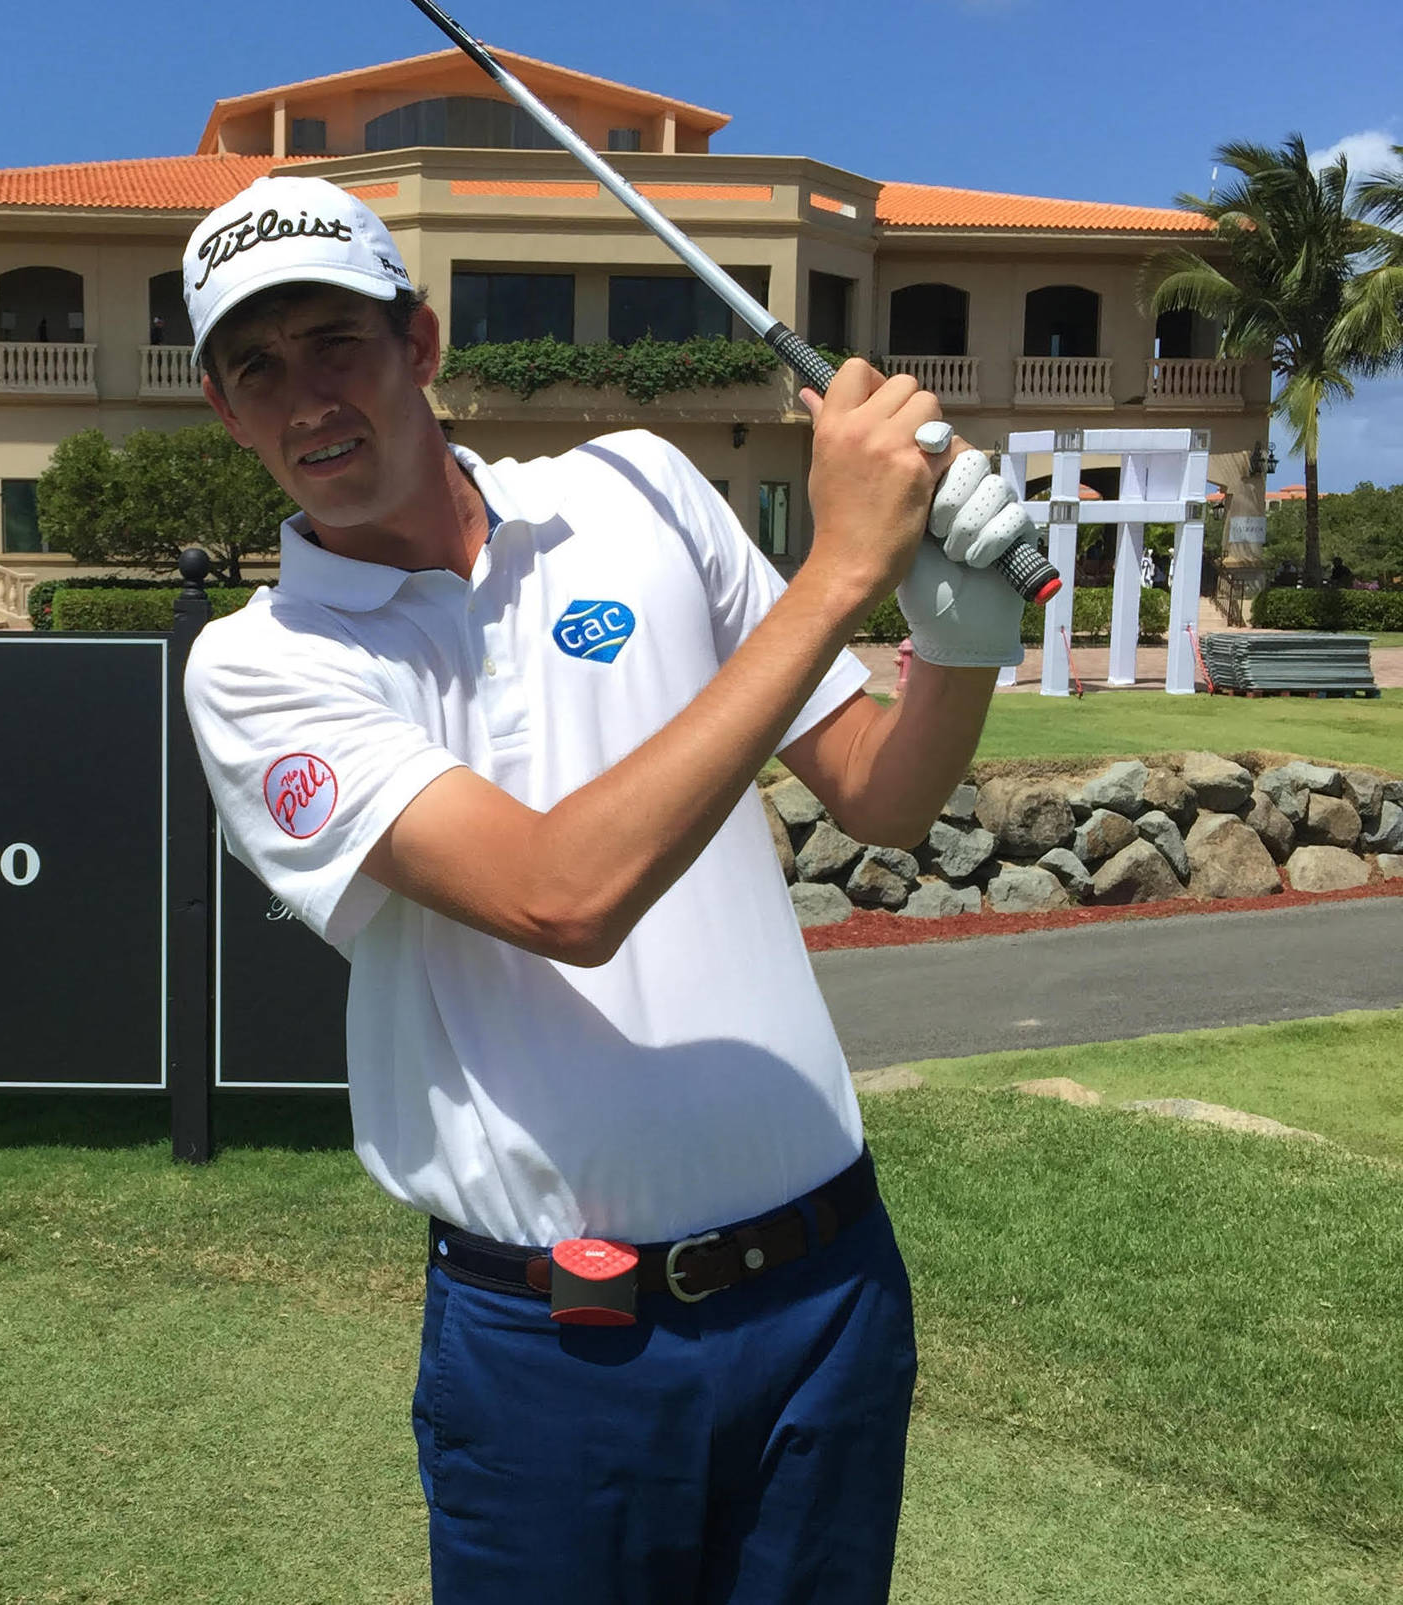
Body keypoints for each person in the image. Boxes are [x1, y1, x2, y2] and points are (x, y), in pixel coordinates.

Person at [180, 175, 1031, 1605]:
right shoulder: (262, 668)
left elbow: (883, 793)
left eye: (335, 342)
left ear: (422, 345)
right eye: (253, 368)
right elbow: (562, 895)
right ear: (224, 410)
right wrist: (840, 572)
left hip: (828, 1298)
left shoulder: (635, 488)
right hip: (556, 1357)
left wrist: (959, 627)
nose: (303, 398)